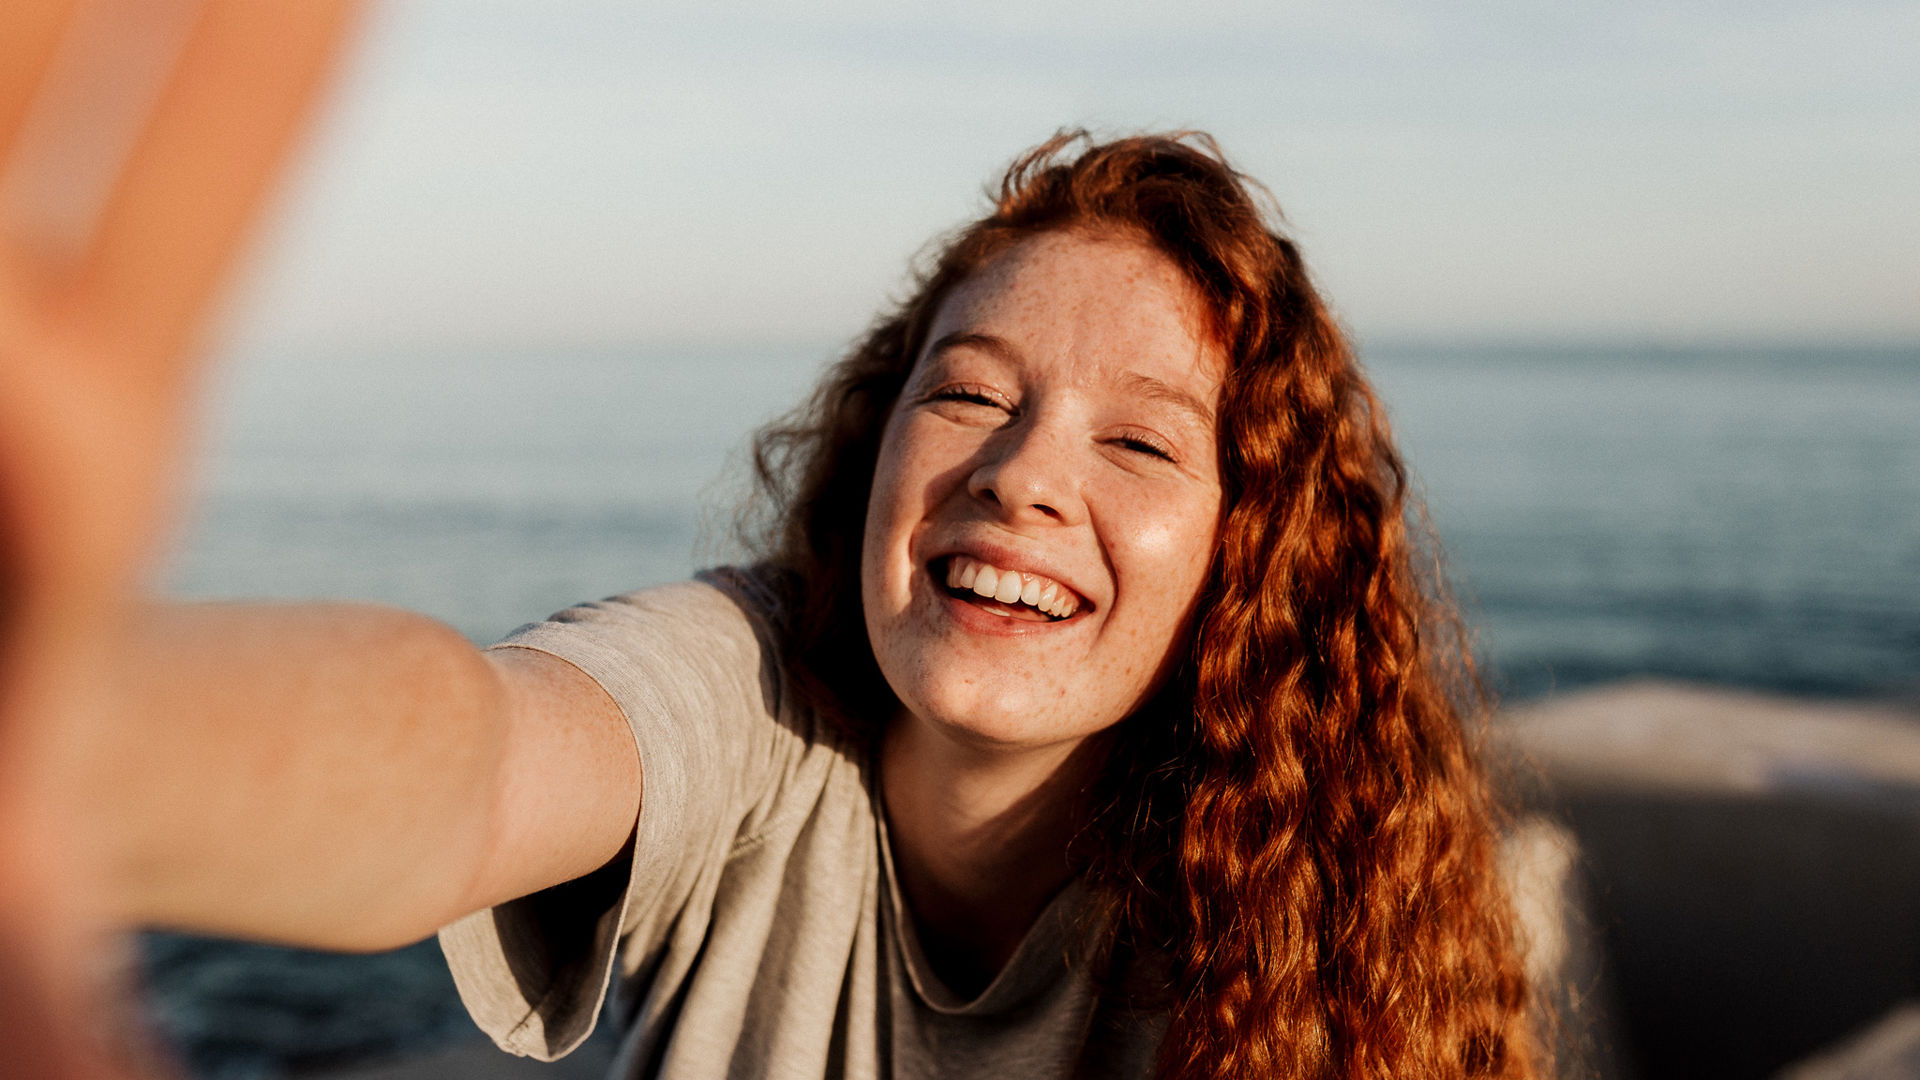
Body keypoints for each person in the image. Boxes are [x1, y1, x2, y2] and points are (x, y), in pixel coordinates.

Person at [72, 132, 1537, 1078]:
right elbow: (473, 761)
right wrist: (65, 730)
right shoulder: (752, 692)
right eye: (969, 395)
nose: (1022, 474)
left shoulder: (1303, 904)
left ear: (1251, 553)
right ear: (873, 448)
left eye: (1142, 443)